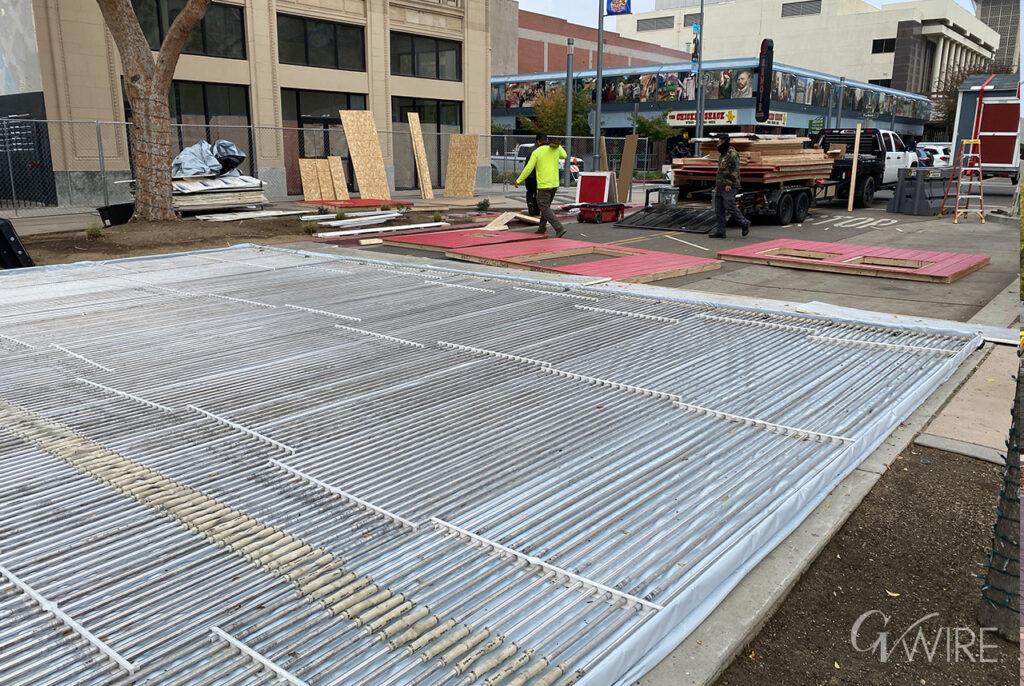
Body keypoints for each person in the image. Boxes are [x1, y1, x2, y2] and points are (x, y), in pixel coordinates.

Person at [515, 133, 567, 238]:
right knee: (545, 207)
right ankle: (541, 228)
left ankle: (559, 228)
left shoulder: (536, 152)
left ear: (538, 141)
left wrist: (519, 180)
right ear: (546, 140)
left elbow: (528, 168)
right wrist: (558, 146)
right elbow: (564, 155)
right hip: (554, 184)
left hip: (544, 185)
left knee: (543, 207)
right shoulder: (554, 149)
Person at [709, 133, 750, 239]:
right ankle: (721, 231)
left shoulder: (732, 154)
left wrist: (729, 183)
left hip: (729, 185)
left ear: (725, 141)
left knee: (729, 205)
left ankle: (744, 222)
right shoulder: (722, 154)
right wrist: (717, 185)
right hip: (720, 185)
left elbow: (734, 170)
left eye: (719, 140)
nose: (718, 142)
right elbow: (720, 171)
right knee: (719, 209)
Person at [522, 133, 544, 216]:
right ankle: (536, 210)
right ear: (539, 141)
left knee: (530, 191)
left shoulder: (530, 149)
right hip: (536, 175)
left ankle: (530, 202)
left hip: (528, 175)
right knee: (537, 193)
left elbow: (527, 165)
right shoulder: (539, 151)